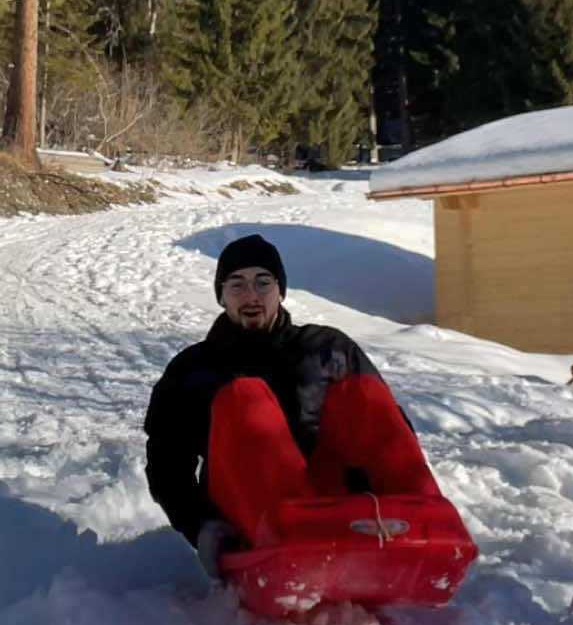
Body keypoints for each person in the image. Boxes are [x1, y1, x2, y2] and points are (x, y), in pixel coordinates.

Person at [144, 233, 440, 578]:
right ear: (221, 296)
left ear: (280, 291)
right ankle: (291, 539)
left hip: (338, 510)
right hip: (251, 522)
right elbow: (167, 466)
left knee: (364, 391)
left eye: (263, 282)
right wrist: (203, 529)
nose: (251, 295)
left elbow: (381, 426)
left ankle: (425, 520)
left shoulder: (326, 349)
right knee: (244, 398)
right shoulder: (191, 370)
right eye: (236, 284)